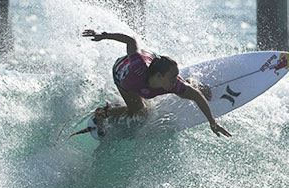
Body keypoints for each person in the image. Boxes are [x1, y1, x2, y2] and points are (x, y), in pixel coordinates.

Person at [82, 29, 231, 137]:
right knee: (139, 110)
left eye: (175, 77)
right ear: (159, 76)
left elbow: (197, 96)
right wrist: (103, 35)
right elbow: (130, 40)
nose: (174, 82)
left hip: (153, 59)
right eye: (172, 77)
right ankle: (103, 112)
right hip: (122, 72)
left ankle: (190, 82)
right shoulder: (137, 69)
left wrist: (212, 121)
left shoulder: (171, 84)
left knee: (187, 89)